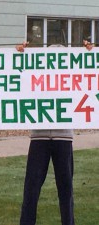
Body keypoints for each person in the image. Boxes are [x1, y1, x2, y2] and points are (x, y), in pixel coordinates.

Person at [17, 40, 93, 225]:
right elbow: (20, 77)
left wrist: (89, 53)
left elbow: (88, 76)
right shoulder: (37, 75)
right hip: (39, 137)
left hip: (63, 137)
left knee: (66, 190)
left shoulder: (70, 76)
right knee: (31, 189)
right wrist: (20, 55)